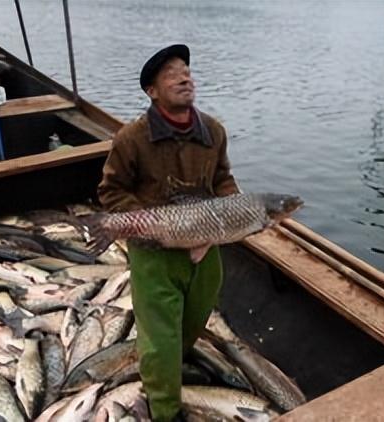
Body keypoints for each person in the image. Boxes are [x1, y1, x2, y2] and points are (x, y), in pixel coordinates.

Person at [97, 44, 239, 421]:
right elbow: (111, 192)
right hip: (154, 250)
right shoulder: (132, 138)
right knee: (160, 338)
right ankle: (163, 409)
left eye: (187, 71)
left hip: (206, 245)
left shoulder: (213, 131)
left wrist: (230, 213)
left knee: (195, 315)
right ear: (152, 91)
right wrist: (147, 223)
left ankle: (178, 358)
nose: (184, 77)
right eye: (172, 73)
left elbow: (223, 180)